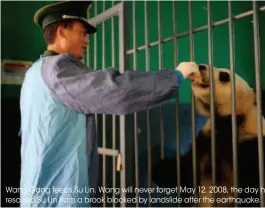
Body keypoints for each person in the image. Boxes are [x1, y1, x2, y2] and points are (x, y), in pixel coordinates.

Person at [19, 1, 200, 207]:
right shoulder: (59, 70)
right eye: (83, 32)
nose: (87, 40)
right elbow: (117, 90)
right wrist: (175, 76)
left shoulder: (35, 71)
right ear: (61, 31)